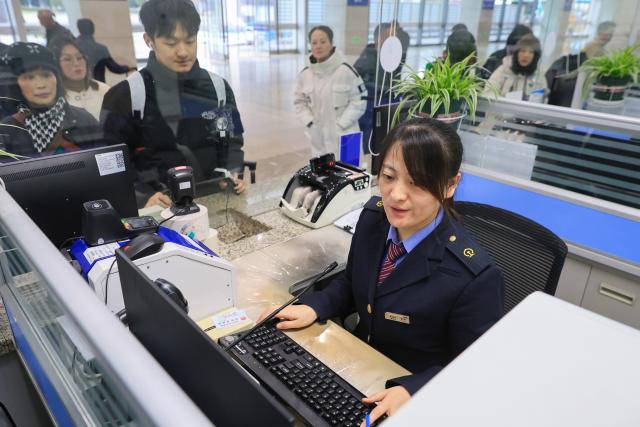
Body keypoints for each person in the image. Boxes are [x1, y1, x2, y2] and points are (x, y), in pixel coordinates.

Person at [260, 117, 504, 424]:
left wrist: (414, 389)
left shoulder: (474, 276)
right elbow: (353, 283)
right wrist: (314, 306)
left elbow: (474, 367)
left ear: (450, 184)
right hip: (357, 369)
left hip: (408, 396)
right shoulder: (374, 220)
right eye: (389, 176)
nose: (396, 194)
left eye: (416, 183)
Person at [101, 0, 246, 209]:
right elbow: (111, 163)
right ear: (148, 40)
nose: (183, 52)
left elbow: (231, 140)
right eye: (171, 43)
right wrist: (142, 196)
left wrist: (233, 171)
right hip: (161, 208)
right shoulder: (124, 96)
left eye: (190, 41)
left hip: (213, 199)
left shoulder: (217, 88)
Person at [0, 42, 101, 160]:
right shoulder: (7, 129)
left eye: (46, 75)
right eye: (30, 77)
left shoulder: (83, 119)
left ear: (56, 78)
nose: (41, 85)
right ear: (16, 85)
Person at [294, 25, 367, 158]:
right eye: (314, 43)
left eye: (323, 41)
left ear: (331, 43)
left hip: (347, 135)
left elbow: (360, 100)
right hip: (319, 139)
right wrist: (310, 123)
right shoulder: (305, 75)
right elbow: (299, 102)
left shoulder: (346, 71)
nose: (318, 46)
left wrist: (341, 124)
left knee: (351, 174)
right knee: (324, 175)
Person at [50, 37, 110, 121]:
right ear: (56, 65)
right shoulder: (52, 98)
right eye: (67, 59)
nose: (76, 63)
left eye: (79, 57)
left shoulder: (104, 90)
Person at [485, 34, 547, 102]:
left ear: (535, 56)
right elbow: (488, 92)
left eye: (531, 52)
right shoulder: (504, 70)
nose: (526, 55)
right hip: (501, 111)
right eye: (523, 51)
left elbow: (543, 102)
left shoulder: (539, 77)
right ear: (517, 53)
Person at [76, 18, 136, 83]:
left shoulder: (71, 48)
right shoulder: (100, 49)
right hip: (97, 88)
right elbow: (114, 68)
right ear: (93, 29)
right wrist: (127, 68)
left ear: (79, 29)